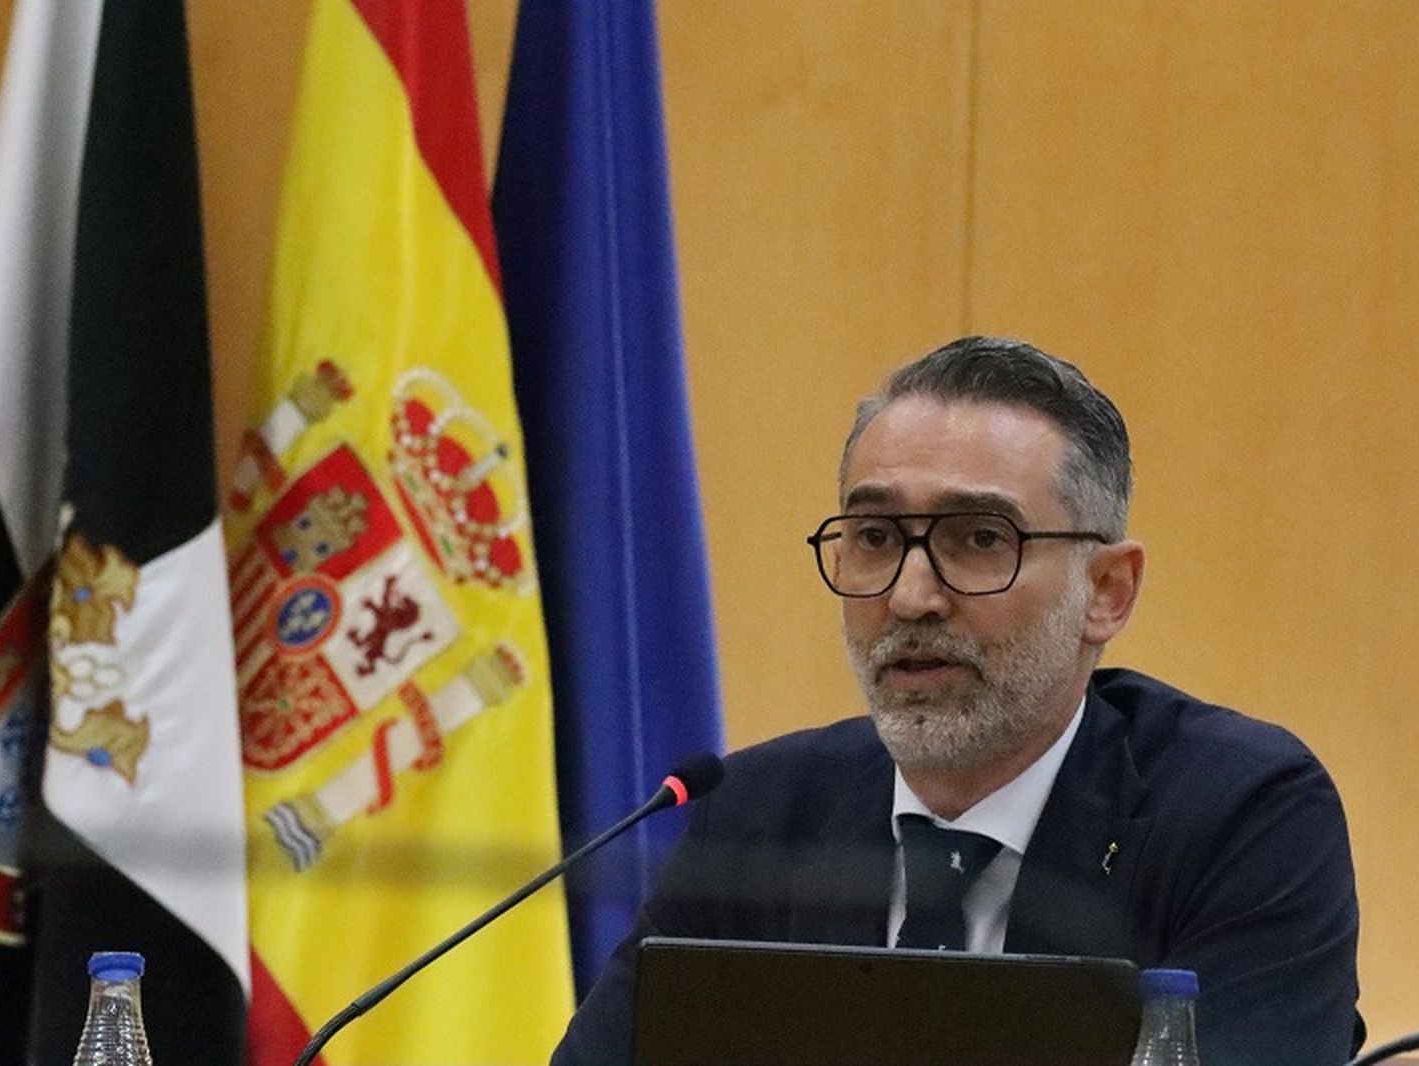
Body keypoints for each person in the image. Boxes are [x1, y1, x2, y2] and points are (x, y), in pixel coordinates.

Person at [550, 336, 1362, 1066]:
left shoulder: (1238, 814)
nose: (911, 597)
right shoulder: (763, 813)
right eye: (874, 539)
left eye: (979, 540)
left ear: (1107, 591)